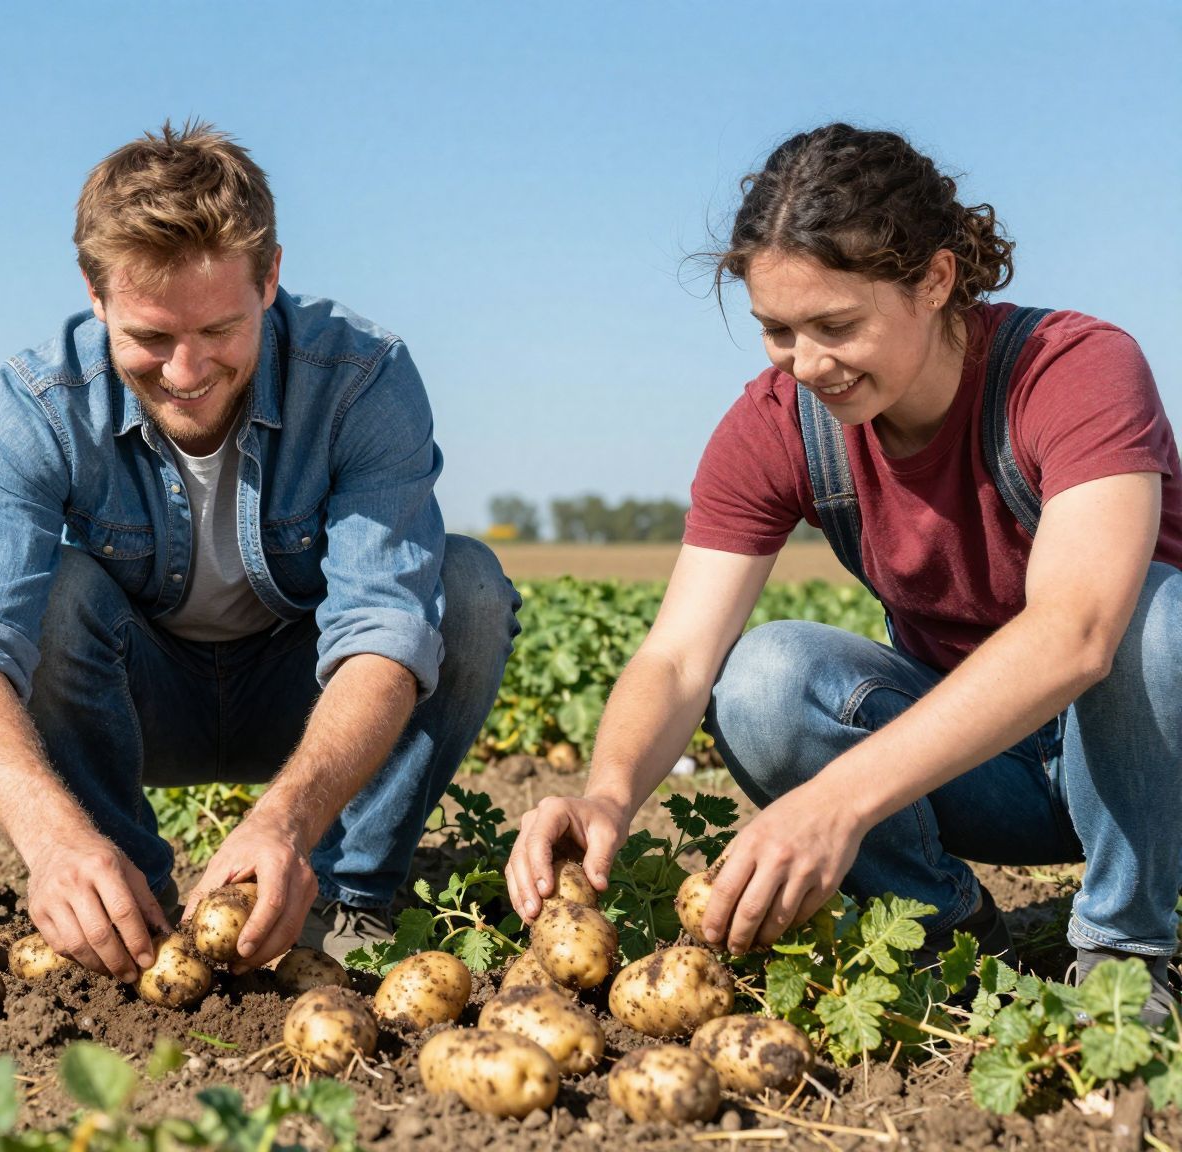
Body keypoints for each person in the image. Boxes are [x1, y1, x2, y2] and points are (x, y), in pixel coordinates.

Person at [504, 124, 1182, 1023]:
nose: (807, 363)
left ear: (935, 280)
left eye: (837, 325)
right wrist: (608, 793)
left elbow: (1078, 632)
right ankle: (943, 926)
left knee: (1151, 616)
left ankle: (1124, 953)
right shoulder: (781, 424)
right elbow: (676, 658)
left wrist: (837, 802)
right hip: (987, 765)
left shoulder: (1073, 370)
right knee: (763, 680)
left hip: (1148, 763)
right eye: (778, 330)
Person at [0, 122, 518, 982]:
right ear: (96, 294)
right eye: (151, 338)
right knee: (53, 592)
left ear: (270, 277)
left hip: (305, 701)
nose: (186, 369)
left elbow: (384, 630)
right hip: (137, 703)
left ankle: (347, 902)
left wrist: (286, 821)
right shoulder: (38, 406)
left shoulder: (359, 379)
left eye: (220, 329)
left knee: (467, 588)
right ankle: (125, 907)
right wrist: (51, 841)